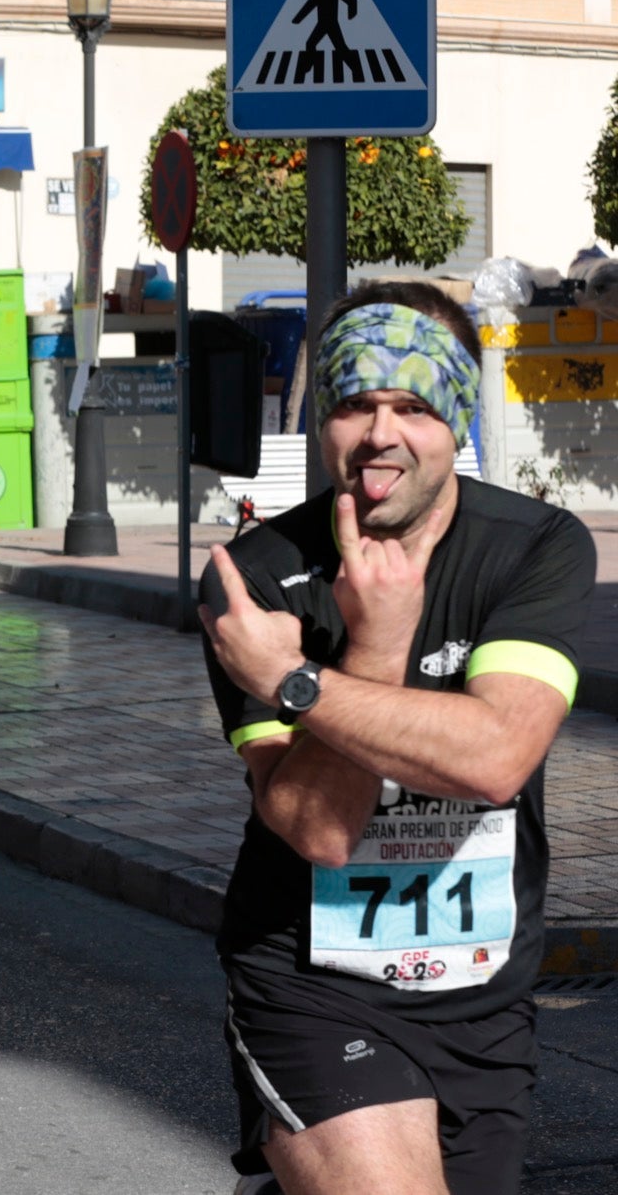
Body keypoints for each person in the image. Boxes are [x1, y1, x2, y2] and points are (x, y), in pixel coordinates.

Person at [198, 281, 596, 1195]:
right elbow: (319, 830)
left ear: (455, 419)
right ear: (321, 424)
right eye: (353, 405)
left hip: (484, 998)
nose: (381, 434)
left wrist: (300, 684)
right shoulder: (255, 579)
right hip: (308, 979)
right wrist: (374, 647)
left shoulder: (534, 548)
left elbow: (497, 756)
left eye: (412, 405)